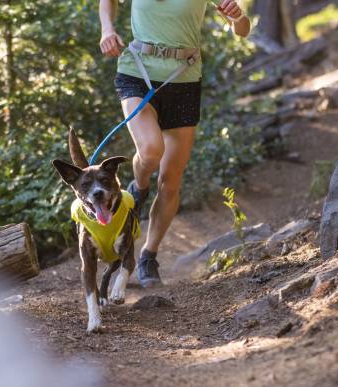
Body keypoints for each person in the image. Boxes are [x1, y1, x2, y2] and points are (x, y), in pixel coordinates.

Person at [98, 0, 250, 288]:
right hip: (137, 71)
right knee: (151, 151)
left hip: (183, 78)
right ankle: (138, 188)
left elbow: (242, 30)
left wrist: (237, 15)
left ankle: (148, 256)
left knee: (170, 182)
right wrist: (107, 29)